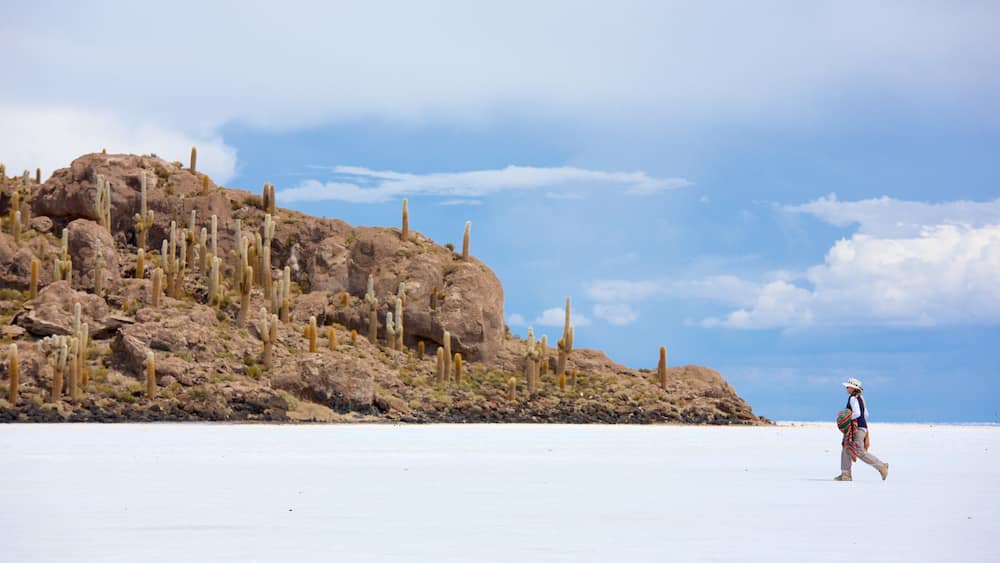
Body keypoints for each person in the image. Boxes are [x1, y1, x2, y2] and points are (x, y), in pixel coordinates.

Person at [835, 378, 889, 482]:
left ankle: (881, 466)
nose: (846, 388)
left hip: (857, 428)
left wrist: (846, 418)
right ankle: (845, 474)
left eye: (848, 387)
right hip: (861, 427)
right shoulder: (860, 398)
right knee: (846, 448)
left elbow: (857, 414)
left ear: (853, 388)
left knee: (859, 451)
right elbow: (866, 414)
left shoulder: (853, 398)